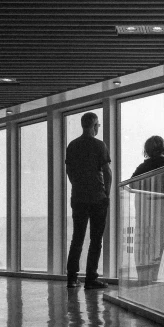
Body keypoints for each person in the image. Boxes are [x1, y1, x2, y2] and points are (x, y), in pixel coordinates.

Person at [65, 112, 112, 290]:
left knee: (77, 238)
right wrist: (106, 192)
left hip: (78, 197)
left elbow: (69, 171)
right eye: (98, 125)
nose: (98, 128)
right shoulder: (99, 145)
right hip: (97, 198)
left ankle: (71, 278)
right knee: (95, 239)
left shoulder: (73, 145)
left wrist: (78, 186)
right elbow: (107, 171)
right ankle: (91, 278)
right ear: (93, 126)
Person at [131, 136, 164, 284]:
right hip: (160, 210)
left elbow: (133, 185)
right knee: (157, 245)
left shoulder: (142, 167)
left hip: (144, 212)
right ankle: (153, 279)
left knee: (144, 246)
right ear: (163, 148)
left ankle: (144, 279)